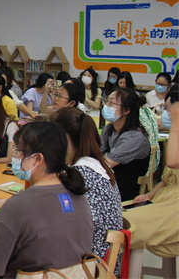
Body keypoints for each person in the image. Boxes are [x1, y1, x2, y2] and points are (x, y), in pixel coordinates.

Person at [0, 122, 93, 278]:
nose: (15, 156)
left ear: (37, 159)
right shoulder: (79, 196)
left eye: (19, 151)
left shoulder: (18, 205)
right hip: (76, 275)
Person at [50, 108, 123, 259]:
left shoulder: (79, 174)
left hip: (87, 262)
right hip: (102, 257)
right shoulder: (99, 165)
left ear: (64, 138)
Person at [124, 84, 179, 259]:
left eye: (170, 109)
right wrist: (149, 195)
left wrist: (176, 125)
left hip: (174, 206)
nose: (167, 113)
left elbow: (173, 162)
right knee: (120, 212)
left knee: (130, 225)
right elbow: (166, 180)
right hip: (165, 197)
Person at [100, 88, 151, 201]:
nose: (106, 105)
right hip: (109, 183)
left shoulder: (135, 137)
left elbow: (106, 164)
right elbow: (96, 151)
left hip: (123, 192)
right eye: (107, 101)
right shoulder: (109, 128)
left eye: (112, 103)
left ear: (127, 110)